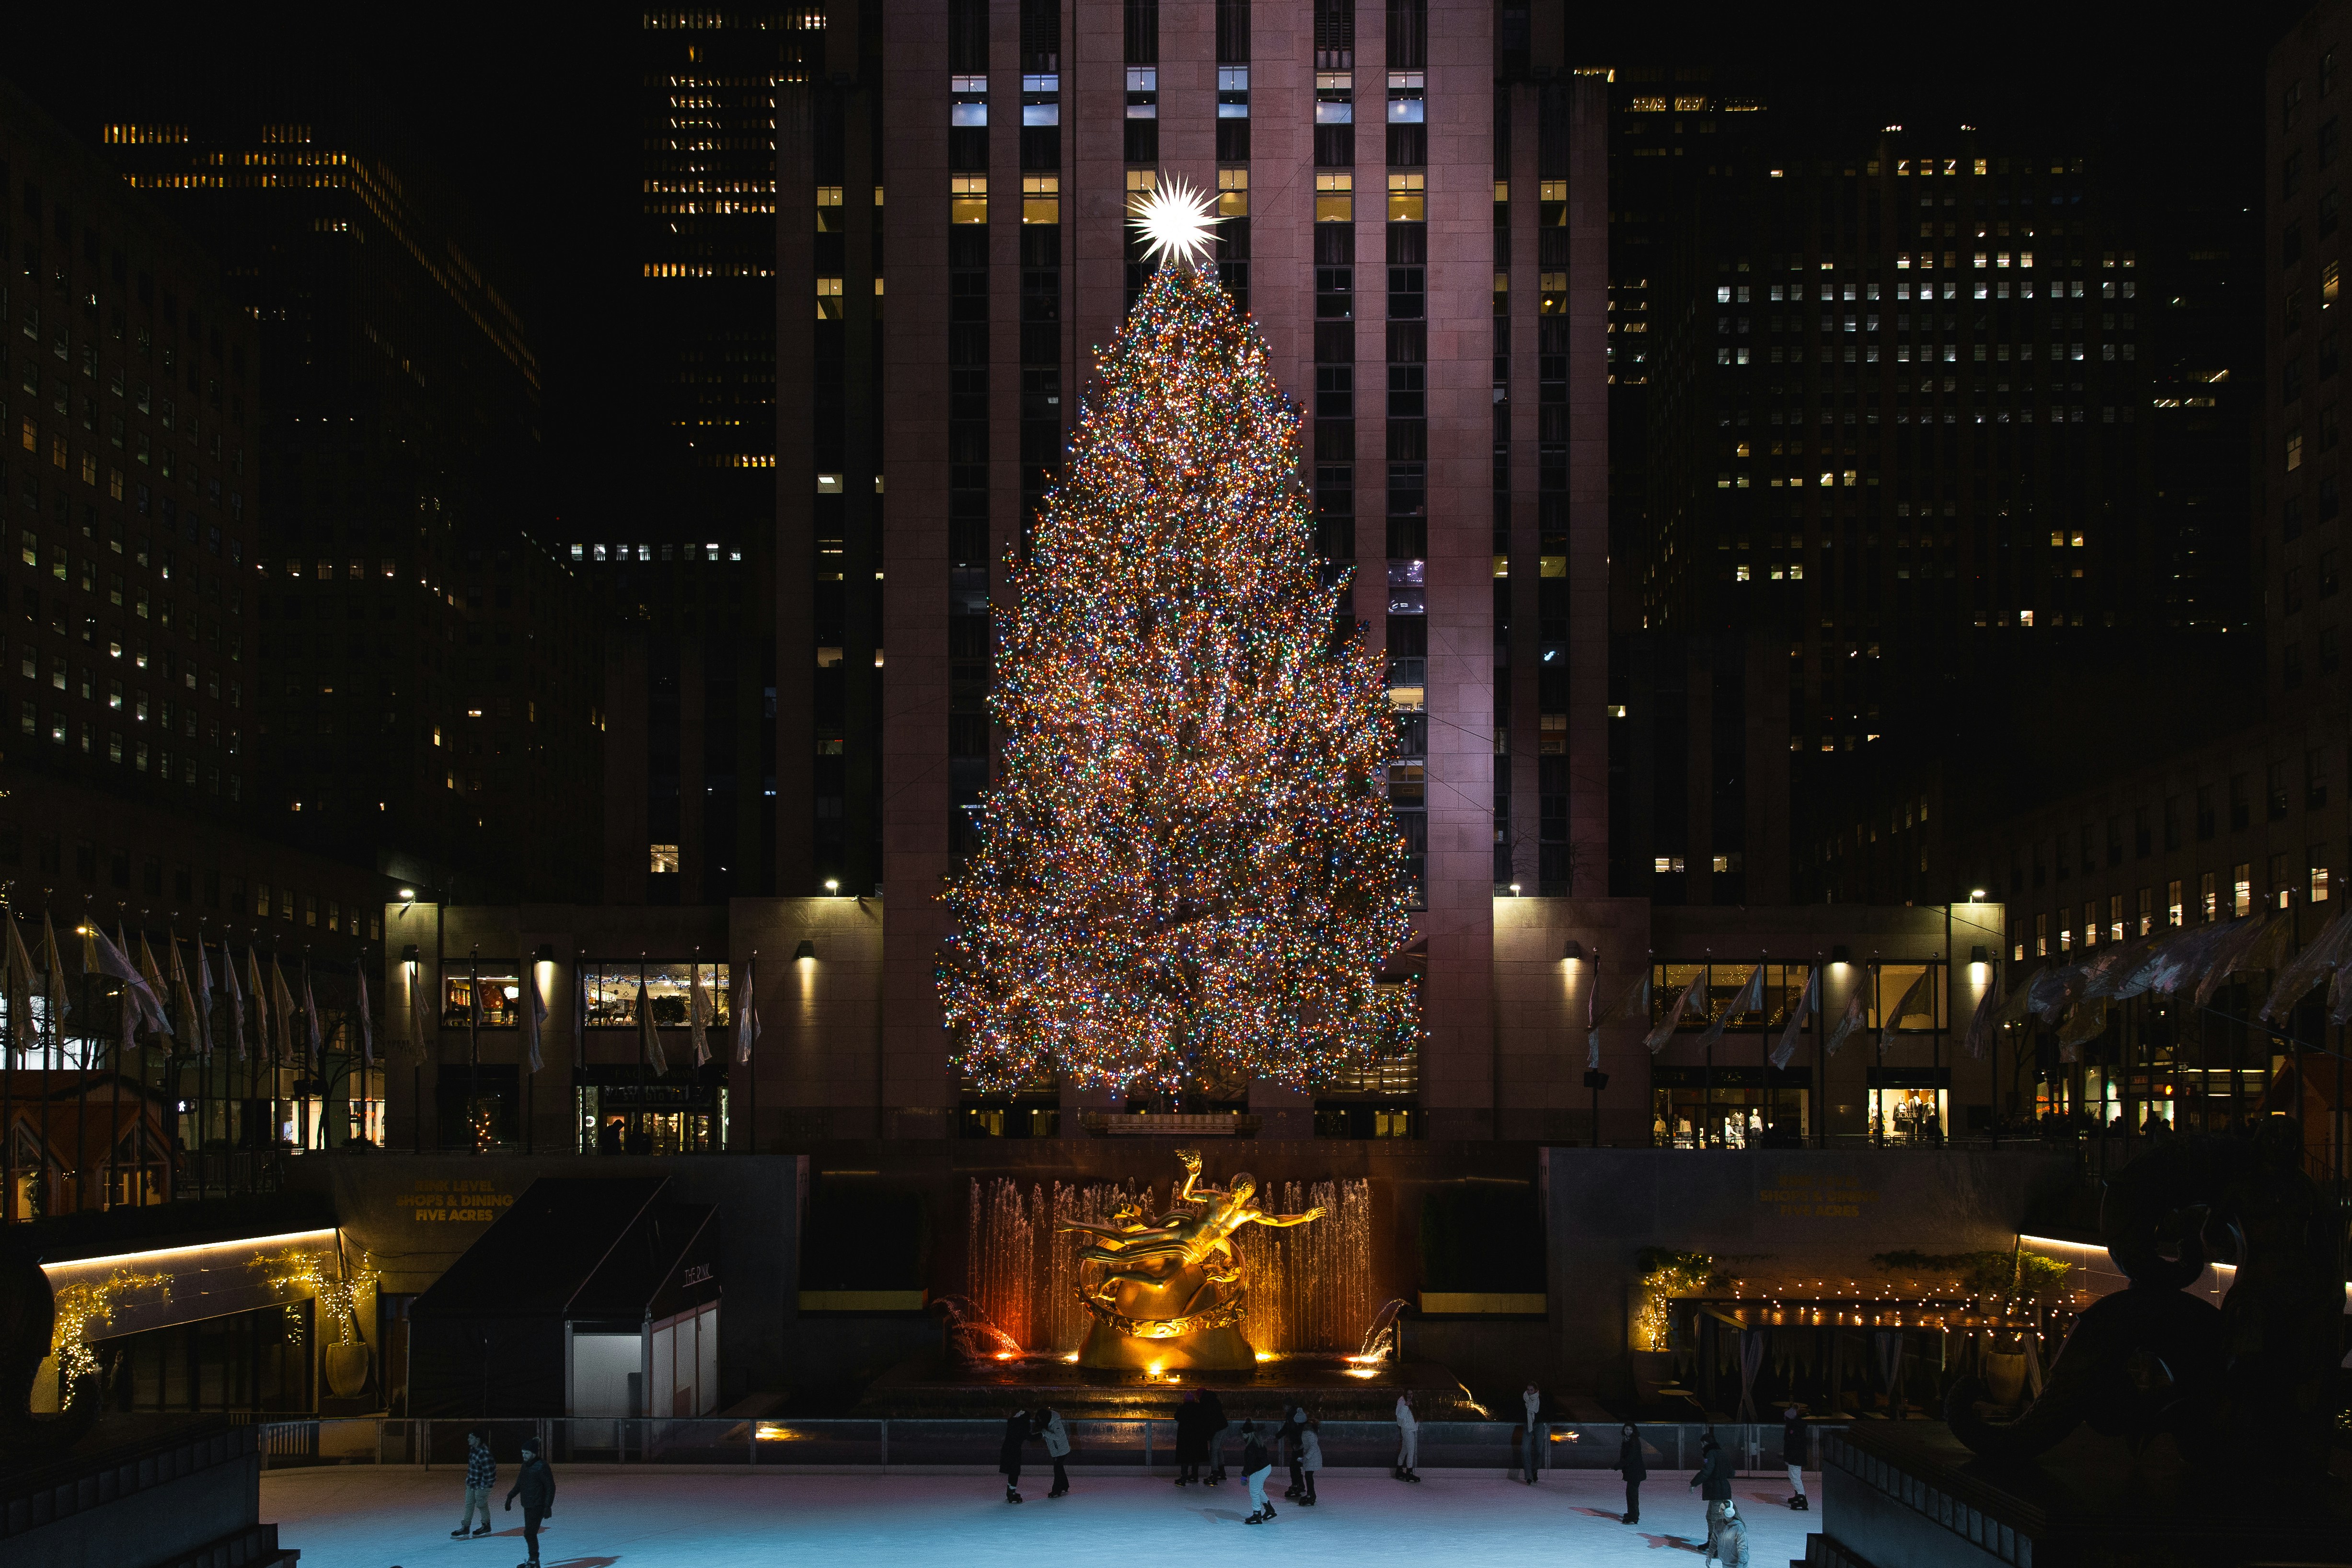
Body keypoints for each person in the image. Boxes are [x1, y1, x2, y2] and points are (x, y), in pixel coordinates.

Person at [502, 1437, 556, 1568]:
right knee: (530, 1533)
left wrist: (548, 1506)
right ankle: (533, 1561)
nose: (524, 1456)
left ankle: (534, 1562)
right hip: (527, 1504)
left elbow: (550, 1486)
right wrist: (510, 1497)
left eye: (526, 1453)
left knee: (530, 1533)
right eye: (523, 1453)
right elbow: (519, 1484)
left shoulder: (541, 1466)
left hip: (538, 1505)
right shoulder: (525, 1466)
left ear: (533, 1453)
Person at [1691, 1430, 1734, 1565]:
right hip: (1721, 1490)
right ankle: (1711, 1542)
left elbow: (1707, 1471)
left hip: (1717, 1491)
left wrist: (1694, 1483)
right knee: (1710, 1517)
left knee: (1716, 1519)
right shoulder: (1721, 1453)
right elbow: (1732, 1472)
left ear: (1706, 1443)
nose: (1701, 1447)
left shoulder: (1711, 1453)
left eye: (1702, 1444)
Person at [452, 1427, 495, 1538]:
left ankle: (486, 1526)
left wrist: (483, 1486)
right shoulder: (473, 1450)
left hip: (481, 1486)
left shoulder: (484, 1453)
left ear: (478, 1439)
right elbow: (473, 1469)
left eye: (471, 1438)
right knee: (469, 1505)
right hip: (472, 1484)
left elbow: (490, 1473)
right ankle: (465, 1528)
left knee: (481, 1504)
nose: (468, 1440)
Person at [1240, 1420, 1277, 1524]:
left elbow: (1250, 1463)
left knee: (1254, 1492)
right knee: (1259, 1490)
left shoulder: (1251, 1447)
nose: (1242, 1436)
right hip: (1266, 1468)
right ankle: (1269, 1509)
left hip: (1259, 1470)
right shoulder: (1258, 1442)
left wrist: (1244, 1475)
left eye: (1244, 1434)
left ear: (1249, 1434)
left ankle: (1257, 1514)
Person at [1614, 1421, 1647, 1524]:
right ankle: (1632, 1514)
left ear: (1634, 1431)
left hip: (1635, 1472)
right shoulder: (1627, 1440)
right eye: (1626, 1429)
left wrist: (1619, 1465)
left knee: (1632, 1494)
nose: (1628, 1431)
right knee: (1630, 1494)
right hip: (1632, 1472)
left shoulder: (1634, 1441)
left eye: (1630, 1430)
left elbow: (1630, 1458)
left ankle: (1634, 1516)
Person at [1037, 1405, 1072, 1498]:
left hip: (1061, 1451)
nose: (1039, 1421)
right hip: (1058, 1450)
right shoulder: (1049, 1423)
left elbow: (1058, 1437)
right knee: (1059, 1468)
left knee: (1057, 1470)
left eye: (1040, 1419)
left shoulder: (1056, 1424)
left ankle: (1056, 1490)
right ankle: (1065, 1486)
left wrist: (1045, 1432)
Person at [1173, 1391, 1205, 1485]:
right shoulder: (1199, 1408)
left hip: (1185, 1436)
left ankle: (1184, 1477)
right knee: (1196, 1456)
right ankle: (1195, 1476)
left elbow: (1177, 1417)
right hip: (1197, 1435)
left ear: (1185, 1400)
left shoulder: (1182, 1408)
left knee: (1185, 1457)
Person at [1781, 1404, 1809, 1510]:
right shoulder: (1794, 1426)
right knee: (1793, 1476)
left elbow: (1793, 1445)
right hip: (1796, 1456)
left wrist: (1789, 1457)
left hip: (1796, 1457)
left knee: (1795, 1477)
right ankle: (1799, 1495)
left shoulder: (1794, 1427)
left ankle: (1802, 1498)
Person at [998, 1407, 1029, 1503]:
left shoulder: (1013, 1423)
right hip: (1014, 1452)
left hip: (1007, 1450)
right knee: (1015, 1473)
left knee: (1012, 1472)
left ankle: (1010, 1492)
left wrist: (1017, 1416)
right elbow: (1030, 1437)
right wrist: (1042, 1434)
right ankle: (1012, 1494)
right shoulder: (1022, 1427)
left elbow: (1011, 1420)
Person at [1199, 1389, 1230, 1483]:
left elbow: (1209, 1421)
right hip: (1223, 1426)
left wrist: (1209, 1435)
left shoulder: (1205, 1403)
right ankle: (1222, 1472)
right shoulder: (1214, 1400)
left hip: (1217, 1429)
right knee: (1218, 1449)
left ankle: (1215, 1474)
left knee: (1213, 1451)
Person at [1279, 1405, 1307, 1499]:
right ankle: (1299, 1485)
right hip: (1299, 1449)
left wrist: (1299, 1446)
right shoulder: (1300, 1424)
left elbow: (1306, 1440)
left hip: (1299, 1450)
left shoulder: (1301, 1427)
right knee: (1296, 1466)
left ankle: (1297, 1485)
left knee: (1294, 1466)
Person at [1393, 1390, 1421, 1481]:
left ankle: (1399, 1470)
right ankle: (1409, 1473)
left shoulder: (1412, 1402)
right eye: (1408, 1394)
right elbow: (1400, 1415)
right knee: (1411, 1451)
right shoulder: (1402, 1402)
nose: (1410, 1396)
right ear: (1405, 1394)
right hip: (1407, 1430)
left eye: (1412, 1394)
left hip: (1409, 1429)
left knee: (1404, 1450)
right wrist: (1406, 1406)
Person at [1715, 1500, 1751, 1568]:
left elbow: (1742, 1548)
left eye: (1722, 1510)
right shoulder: (1722, 1525)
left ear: (1729, 1512)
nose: (1719, 1511)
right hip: (1726, 1564)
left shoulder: (1739, 1528)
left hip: (1738, 1565)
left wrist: (1740, 1565)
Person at [1521, 1382, 1544, 1484]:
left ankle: (1535, 1471)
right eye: (1528, 1390)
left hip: (1539, 1425)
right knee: (1525, 1450)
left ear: (1536, 1390)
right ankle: (1529, 1476)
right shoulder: (1524, 1399)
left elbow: (1547, 1412)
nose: (1529, 1392)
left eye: (1531, 1390)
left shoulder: (1541, 1400)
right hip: (1528, 1426)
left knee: (1539, 1450)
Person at [1296, 1416, 1323, 1506]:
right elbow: (1308, 1444)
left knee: (1309, 1476)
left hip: (1312, 1458)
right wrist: (1300, 1447)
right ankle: (1311, 1495)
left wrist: (1306, 1458)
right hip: (1312, 1457)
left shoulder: (1308, 1432)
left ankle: (1311, 1495)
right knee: (1309, 1476)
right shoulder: (1309, 1432)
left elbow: (1313, 1446)